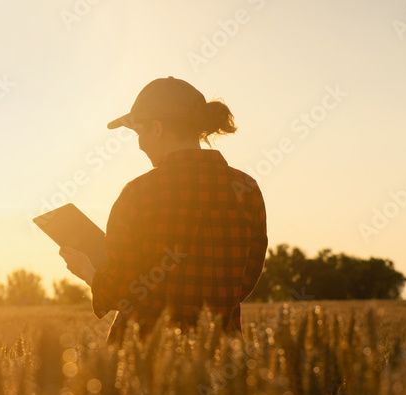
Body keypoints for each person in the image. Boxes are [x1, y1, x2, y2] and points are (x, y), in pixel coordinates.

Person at [59, 77, 267, 345]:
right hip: (222, 355)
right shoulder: (247, 189)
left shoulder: (139, 193)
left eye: (139, 133)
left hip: (145, 359)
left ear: (157, 129)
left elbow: (121, 289)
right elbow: (246, 280)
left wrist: (88, 271)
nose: (139, 144)